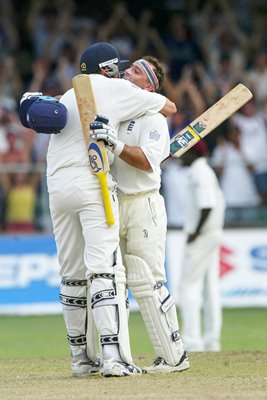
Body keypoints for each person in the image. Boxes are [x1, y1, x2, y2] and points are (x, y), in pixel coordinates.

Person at [19, 42, 177, 378]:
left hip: (56, 187)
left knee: (71, 274)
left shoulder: (65, 96)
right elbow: (169, 106)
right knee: (105, 270)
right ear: (107, 69)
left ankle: (80, 360)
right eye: (118, 66)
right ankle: (113, 358)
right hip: (91, 183)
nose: (122, 71)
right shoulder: (118, 88)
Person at [89, 56, 189, 373]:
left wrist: (114, 144)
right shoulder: (116, 112)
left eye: (135, 71)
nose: (126, 72)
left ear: (148, 85)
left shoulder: (154, 118)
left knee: (148, 279)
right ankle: (117, 358)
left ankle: (174, 357)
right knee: (114, 280)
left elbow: (147, 161)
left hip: (144, 204)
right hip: (115, 202)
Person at [179, 140, 225, 352]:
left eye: (184, 153)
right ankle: (211, 340)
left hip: (202, 234)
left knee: (188, 286)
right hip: (212, 233)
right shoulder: (204, 170)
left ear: (193, 154)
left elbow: (207, 205)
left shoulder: (199, 172)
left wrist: (195, 232)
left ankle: (192, 341)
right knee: (210, 288)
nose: (181, 156)